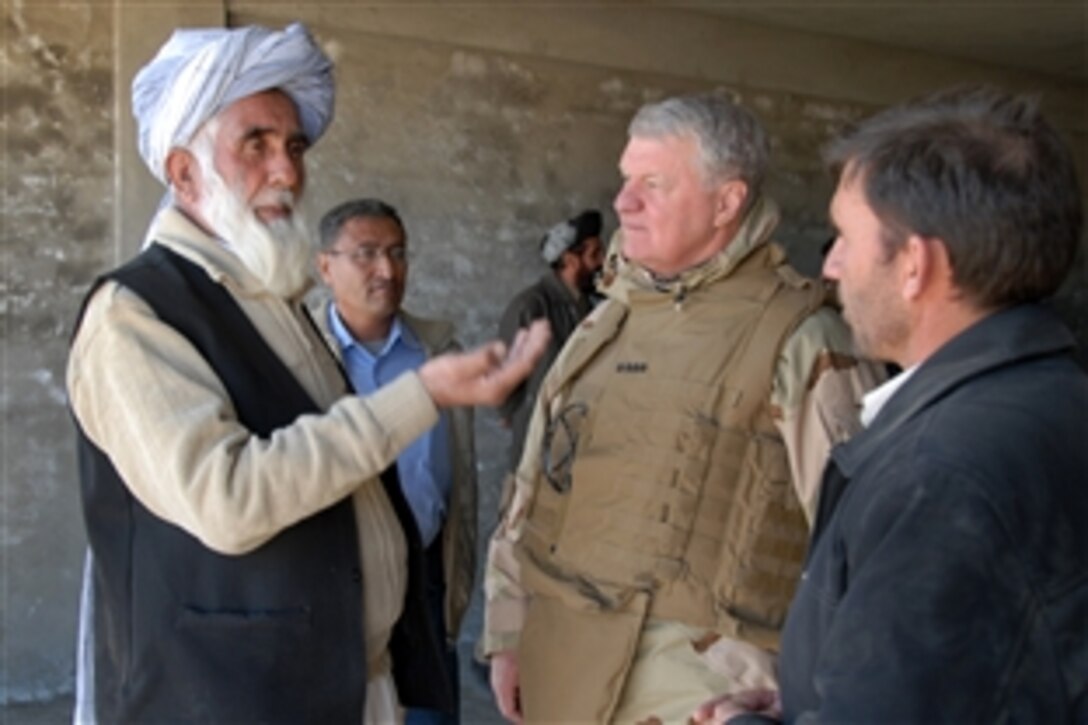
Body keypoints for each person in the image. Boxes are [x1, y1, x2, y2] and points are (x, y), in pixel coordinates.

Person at [66, 23, 548, 724]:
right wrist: (421, 396)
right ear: (183, 171)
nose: (288, 171)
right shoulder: (133, 315)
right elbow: (227, 498)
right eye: (254, 145)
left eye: (293, 146)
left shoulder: (271, 297)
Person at [483, 92, 883, 723]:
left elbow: (872, 550)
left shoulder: (802, 341)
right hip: (563, 675)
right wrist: (506, 637)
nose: (623, 202)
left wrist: (824, 700)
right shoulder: (602, 327)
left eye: (653, 183)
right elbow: (528, 498)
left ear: (727, 201)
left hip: (706, 698)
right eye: (624, 180)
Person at [692, 85, 1087, 724]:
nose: (832, 267)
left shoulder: (939, 479)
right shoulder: (1049, 400)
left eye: (845, 236)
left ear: (915, 265)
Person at [313, 198, 476, 724]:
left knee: (430, 715)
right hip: (337, 582)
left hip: (424, 580)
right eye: (366, 254)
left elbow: (459, 482)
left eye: (398, 253)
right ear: (324, 267)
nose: (387, 270)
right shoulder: (301, 355)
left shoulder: (438, 351)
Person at [497, 209, 606, 475]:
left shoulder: (596, 307)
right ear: (570, 260)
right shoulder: (530, 307)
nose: (602, 262)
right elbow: (504, 387)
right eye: (594, 255)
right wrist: (531, 416)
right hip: (538, 453)